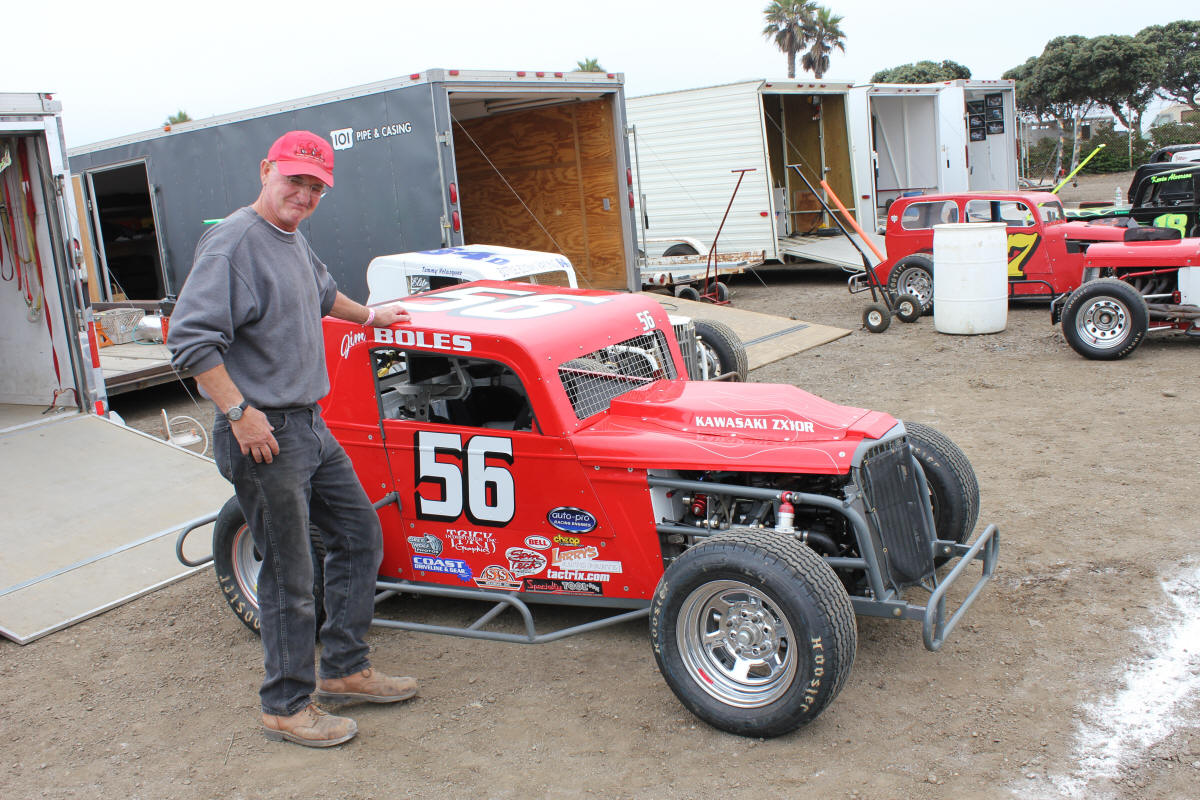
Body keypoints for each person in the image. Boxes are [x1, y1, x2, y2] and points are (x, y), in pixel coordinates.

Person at [168, 130, 416, 748]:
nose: (303, 195)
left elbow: (324, 293)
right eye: (293, 181)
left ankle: (344, 669)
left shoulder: (291, 237)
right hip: (264, 434)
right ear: (266, 171)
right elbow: (190, 340)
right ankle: (284, 704)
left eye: (315, 187)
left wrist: (374, 316)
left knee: (359, 534)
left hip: (307, 423)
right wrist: (238, 412)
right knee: (289, 573)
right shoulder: (233, 244)